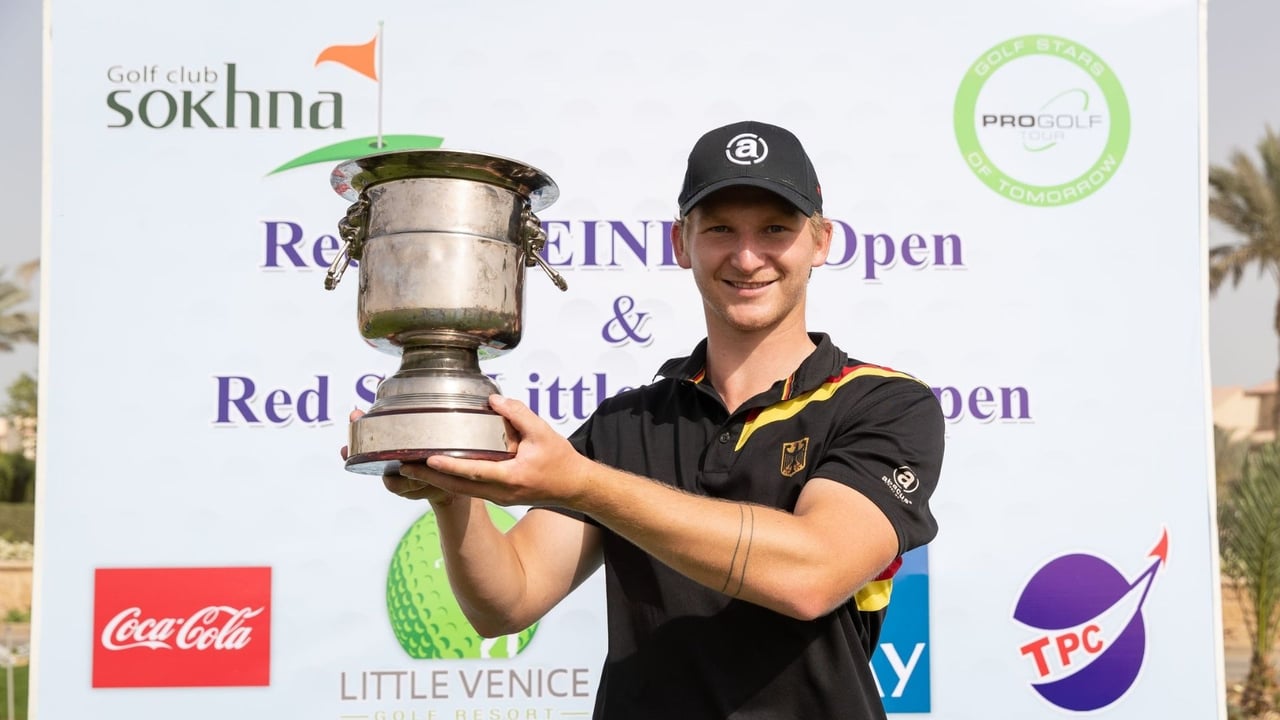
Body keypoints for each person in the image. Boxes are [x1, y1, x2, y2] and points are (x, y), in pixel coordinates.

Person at [367, 120, 945, 719]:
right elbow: (506, 602)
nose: (748, 257)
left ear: (820, 242)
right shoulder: (627, 423)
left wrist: (585, 485)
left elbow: (812, 574)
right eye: (720, 229)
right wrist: (451, 492)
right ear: (680, 242)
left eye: (775, 229)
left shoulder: (884, 403)